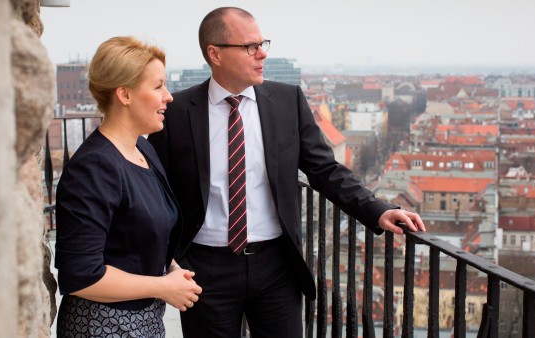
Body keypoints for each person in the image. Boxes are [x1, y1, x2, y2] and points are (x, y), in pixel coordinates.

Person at [148, 7, 426, 338]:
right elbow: (155, 190)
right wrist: (166, 261)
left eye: (263, 43)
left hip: (276, 267)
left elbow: (324, 169)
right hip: (204, 270)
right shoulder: (177, 110)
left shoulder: (286, 100)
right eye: (250, 46)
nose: (262, 53)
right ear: (215, 53)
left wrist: (377, 210)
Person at [54, 36, 202, 337]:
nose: (169, 96)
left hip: (144, 322)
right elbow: (82, 275)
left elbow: (137, 235)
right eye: (158, 86)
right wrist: (163, 286)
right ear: (125, 94)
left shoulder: (143, 150)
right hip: (101, 327)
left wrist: (170, 268)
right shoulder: (94, 167)